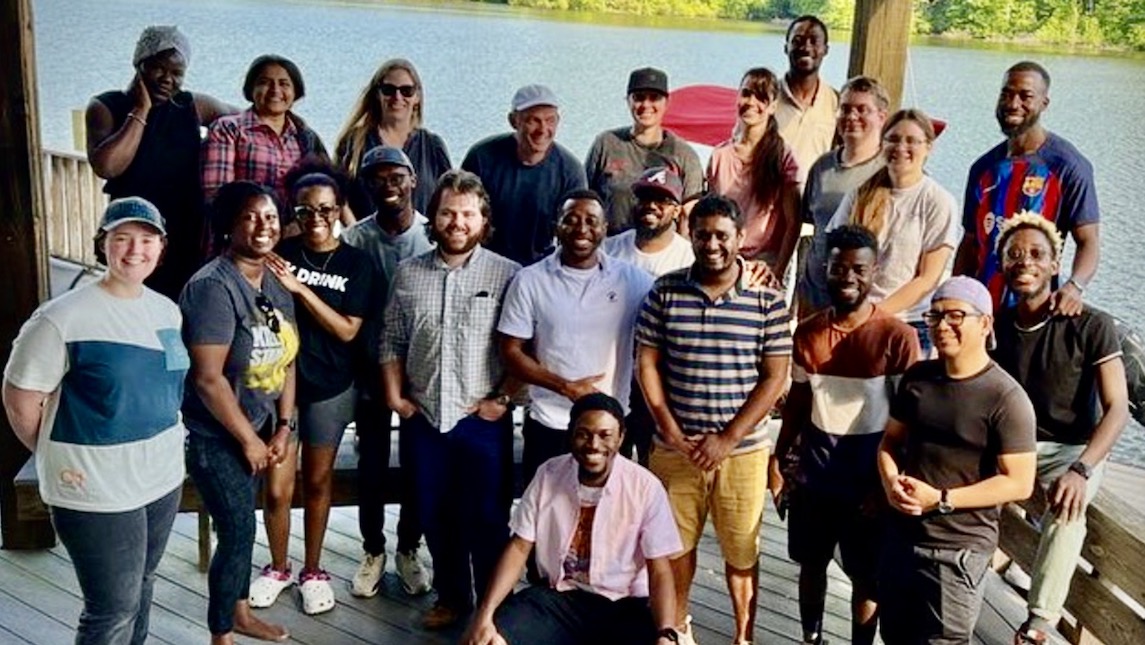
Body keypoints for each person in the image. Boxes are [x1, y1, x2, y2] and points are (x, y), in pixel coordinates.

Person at [3, 197, 187, 645]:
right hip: (96, 487)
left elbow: (164, 389)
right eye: (121, 238)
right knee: (112, 610)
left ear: (161, 248)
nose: (134, 250)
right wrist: (63, 455)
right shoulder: (61, 317)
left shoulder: (166, 310)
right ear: (102, 245)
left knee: (142, 587)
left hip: (161, 476)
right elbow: (20, 401)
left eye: (146, 239)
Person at [636, 194, 792, 645]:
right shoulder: (665, 291)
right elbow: (646, 362)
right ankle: (679, 627)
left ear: (740, 239)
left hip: (742, 452)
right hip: (676, 447)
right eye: (702, 234)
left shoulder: (767, 300)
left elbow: (775, 376)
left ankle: (743, 636)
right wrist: (666, 425)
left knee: (742, 549)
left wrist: (728, 437)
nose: (711, 244)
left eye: (722, 235)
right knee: (674, 545)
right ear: (690, 235)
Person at [381, 169, 522, 629]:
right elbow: (391, 339)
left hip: (482, 419)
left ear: (483, 219)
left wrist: (503, 398)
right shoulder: (408, 273)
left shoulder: (508, 274)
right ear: (434, 217)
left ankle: (491, 604)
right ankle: (453, 597)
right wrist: (396, 398)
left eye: (466, 213)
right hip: (424, 418)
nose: (457, 222)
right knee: (433, 511)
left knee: (487, 517)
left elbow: (524, 346)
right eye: (447, 212)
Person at [771, 224, 920, 645]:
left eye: (859, 269)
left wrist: (888, 485)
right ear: (825, 268)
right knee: (811, 564)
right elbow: (799, 404)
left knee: (866, 577)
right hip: (816, 478)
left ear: (874, 272)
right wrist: (778, 460)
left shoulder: (898, 337)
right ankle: (811, 638)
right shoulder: (808, 332)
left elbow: (910, 422)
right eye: (839, 268)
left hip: (869, 481)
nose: (848, 278)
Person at [988, 215, 1128, 645]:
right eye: (1013, 254)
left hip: (1070, 448)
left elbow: (1118, 408)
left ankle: (1039, 620)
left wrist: (1082, 469)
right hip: (1014, 445)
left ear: (1055, 265)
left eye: (1036, 254)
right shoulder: (996, 325)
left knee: (1068, 510)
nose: (1024, 261)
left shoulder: (1090, 325)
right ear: (1002, 265)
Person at [876, 276, 1037, 645]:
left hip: (957, 551)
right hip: (902, 539)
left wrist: (941, 499)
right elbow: (890, 441)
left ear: (984, 323)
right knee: (895, 637)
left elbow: (1019, 482)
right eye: (934, 316)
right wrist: (889, 481)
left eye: (955, 316)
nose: (942, 325)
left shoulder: (1006, 398)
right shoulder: (918, 378)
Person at [242, 166, 373, 614]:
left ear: (338, 211)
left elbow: (348, 331)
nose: (315, 217)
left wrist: (300, 290)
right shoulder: (279, 253)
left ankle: (313, 569)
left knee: (318, 482)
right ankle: (278, 565)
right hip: (281, 387)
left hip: (332, 386)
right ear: (292, 211)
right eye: (304, 209)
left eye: (324, 208)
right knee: (278, 488)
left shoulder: (357, 263)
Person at [460, 393, 684, 645]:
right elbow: (519, 547)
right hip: (559, 599)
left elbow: (660, 569)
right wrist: (485, 615)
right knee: (488, 640)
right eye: (584, 433)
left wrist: (666, 632)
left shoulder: (645, 487)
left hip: (624, 606)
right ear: (571, 435)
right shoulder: (548, 474)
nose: (593, 444)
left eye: (605, 435)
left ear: (621, 437)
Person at [181, 181, 299, 644]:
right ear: (229, 225)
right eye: (250, 217)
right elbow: (208, 378)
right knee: (236, 529)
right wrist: (248, 441)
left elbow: (287, 357)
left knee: (242, 528)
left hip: (262, 426)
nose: (263, 226)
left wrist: (284, 426)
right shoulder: (213, 286)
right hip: (218, 438)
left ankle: (241, 612)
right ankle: (221, 634)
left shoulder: (273, 278)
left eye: (270, 217)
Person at [498, 190, 654, 491]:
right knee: (546, 516)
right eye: (571, 220)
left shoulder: (633, 281)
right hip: (549, 422)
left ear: (605, 228)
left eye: (591, 221)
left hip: (608, 425)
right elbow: (511, 351)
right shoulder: (530, 280)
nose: (582, 228)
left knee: (605, 516)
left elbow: (676, 294)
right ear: (557, 225)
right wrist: (566, 387)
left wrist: (746, 270)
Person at [339, 145, 434, 599]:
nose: (389, 185)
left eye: (397, 176)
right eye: (377, 178)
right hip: (372, 368)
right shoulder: (356, 239)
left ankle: (408, 548)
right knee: (372, 465)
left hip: (422, 371)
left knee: (417, 463)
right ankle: (373, 549)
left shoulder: (433, 235)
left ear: (413, 180)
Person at [85, 25, 233, 300]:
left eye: (177, 73)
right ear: (139, 63)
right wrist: (141, 110)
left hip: (185, 227)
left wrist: (298, 126)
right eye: (158, 68)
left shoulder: (192, 106)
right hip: (135, 228)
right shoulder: (106, 107)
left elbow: (247, 119)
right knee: (130, 300)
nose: (168, 79)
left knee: (180, 305)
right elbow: (107, 166)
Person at [954, 61, 1100, 316]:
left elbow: (1089, 241)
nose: (1013, 103)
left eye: (1026, 96)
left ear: (1044, 103)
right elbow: (969, 242)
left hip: (1033, 310)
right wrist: (955, 295)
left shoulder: (1068, 166)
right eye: (1006, 94)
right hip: (983, 310)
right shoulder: (983, 168)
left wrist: (1074, 286)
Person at [822, 109, 960, 354]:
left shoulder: (938, 201)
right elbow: (834, 248)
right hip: (853, 317)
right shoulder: (860, 193)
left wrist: (875, 315)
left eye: (912, 141)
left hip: (908, 325)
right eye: (893, 139)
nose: (901, 147)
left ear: (928, 147)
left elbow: (927, 279)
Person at [462, 84, 586, 265]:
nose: (543, 129)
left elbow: (574, 233)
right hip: (484, 262)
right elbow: (462, 214)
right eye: (533, 120)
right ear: (513, 121)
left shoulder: (570, 170)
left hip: (540, 267)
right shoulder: (481, 157)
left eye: (550, 120)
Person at [797, 76, 890, 316]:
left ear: (881, 117)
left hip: (861, 303)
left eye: (862, 110)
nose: (852, 117)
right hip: (814, 297)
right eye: (845, 109)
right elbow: (810, 224)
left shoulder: (889, 172)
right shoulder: (822, 167)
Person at [707, 67, 802, 278]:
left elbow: (793, 223)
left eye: (761, 97)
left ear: (773, 106)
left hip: (766, 261)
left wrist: (778, 271)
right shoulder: (719, 155)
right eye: (746, 93)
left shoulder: (783, 157)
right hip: (724, 257)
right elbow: (712, 214)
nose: (751, 102)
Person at [201, 55, 329, 211]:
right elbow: (217, 195)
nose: (275, 90)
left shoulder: (305, 137)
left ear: (296, 91)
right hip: (244, 228)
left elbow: (323, 191)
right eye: (265, 82)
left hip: (295, 230)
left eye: (284, 84)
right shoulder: (229, 129)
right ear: (251, 89)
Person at [585, 67, 704, 233]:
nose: (646, 105)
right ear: (628, 100)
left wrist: (682, 255)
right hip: (611, 248)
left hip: (662, 253)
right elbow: (586, 200)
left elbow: (688, 215)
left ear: (666, 102)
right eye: (639, 98)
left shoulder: (684, 154)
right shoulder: (606, 143)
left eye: (654, 98)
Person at [335, 58, 452, 216]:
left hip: (422, 239)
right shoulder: (354, 143)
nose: (397, 97)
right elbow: (337, 195)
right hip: (366, 239)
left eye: (406, 91)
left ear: (417, 97)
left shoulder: (432, 146)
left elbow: (449, 199)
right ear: (378, 94)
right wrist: (354, 232)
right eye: (389, 90)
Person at [776, 15, 839, 182]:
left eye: (814, 41)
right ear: (786, 48)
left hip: (815, 203)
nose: (805, 47)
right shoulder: (766, 98)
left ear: (825, 49)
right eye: (797, 40)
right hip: (771, 203)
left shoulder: (837, 103)